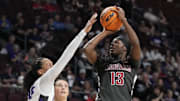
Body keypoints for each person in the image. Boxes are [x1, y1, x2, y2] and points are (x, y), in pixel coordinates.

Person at [23, 13, 98, 101]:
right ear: (41, 71)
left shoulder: (42, 86)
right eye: (49, 65)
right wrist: (83, 32)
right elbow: (66, 56)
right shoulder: (43, 81)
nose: (53, 66)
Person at [84, 7, 141, 101]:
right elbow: (87, 49)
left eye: (116, 42)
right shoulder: (104, 62)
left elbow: (135, 43)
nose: (112, 44)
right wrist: (105, 32)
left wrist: (124, 20)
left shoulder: (132, 63)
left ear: (124, 48)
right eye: (112, 42)